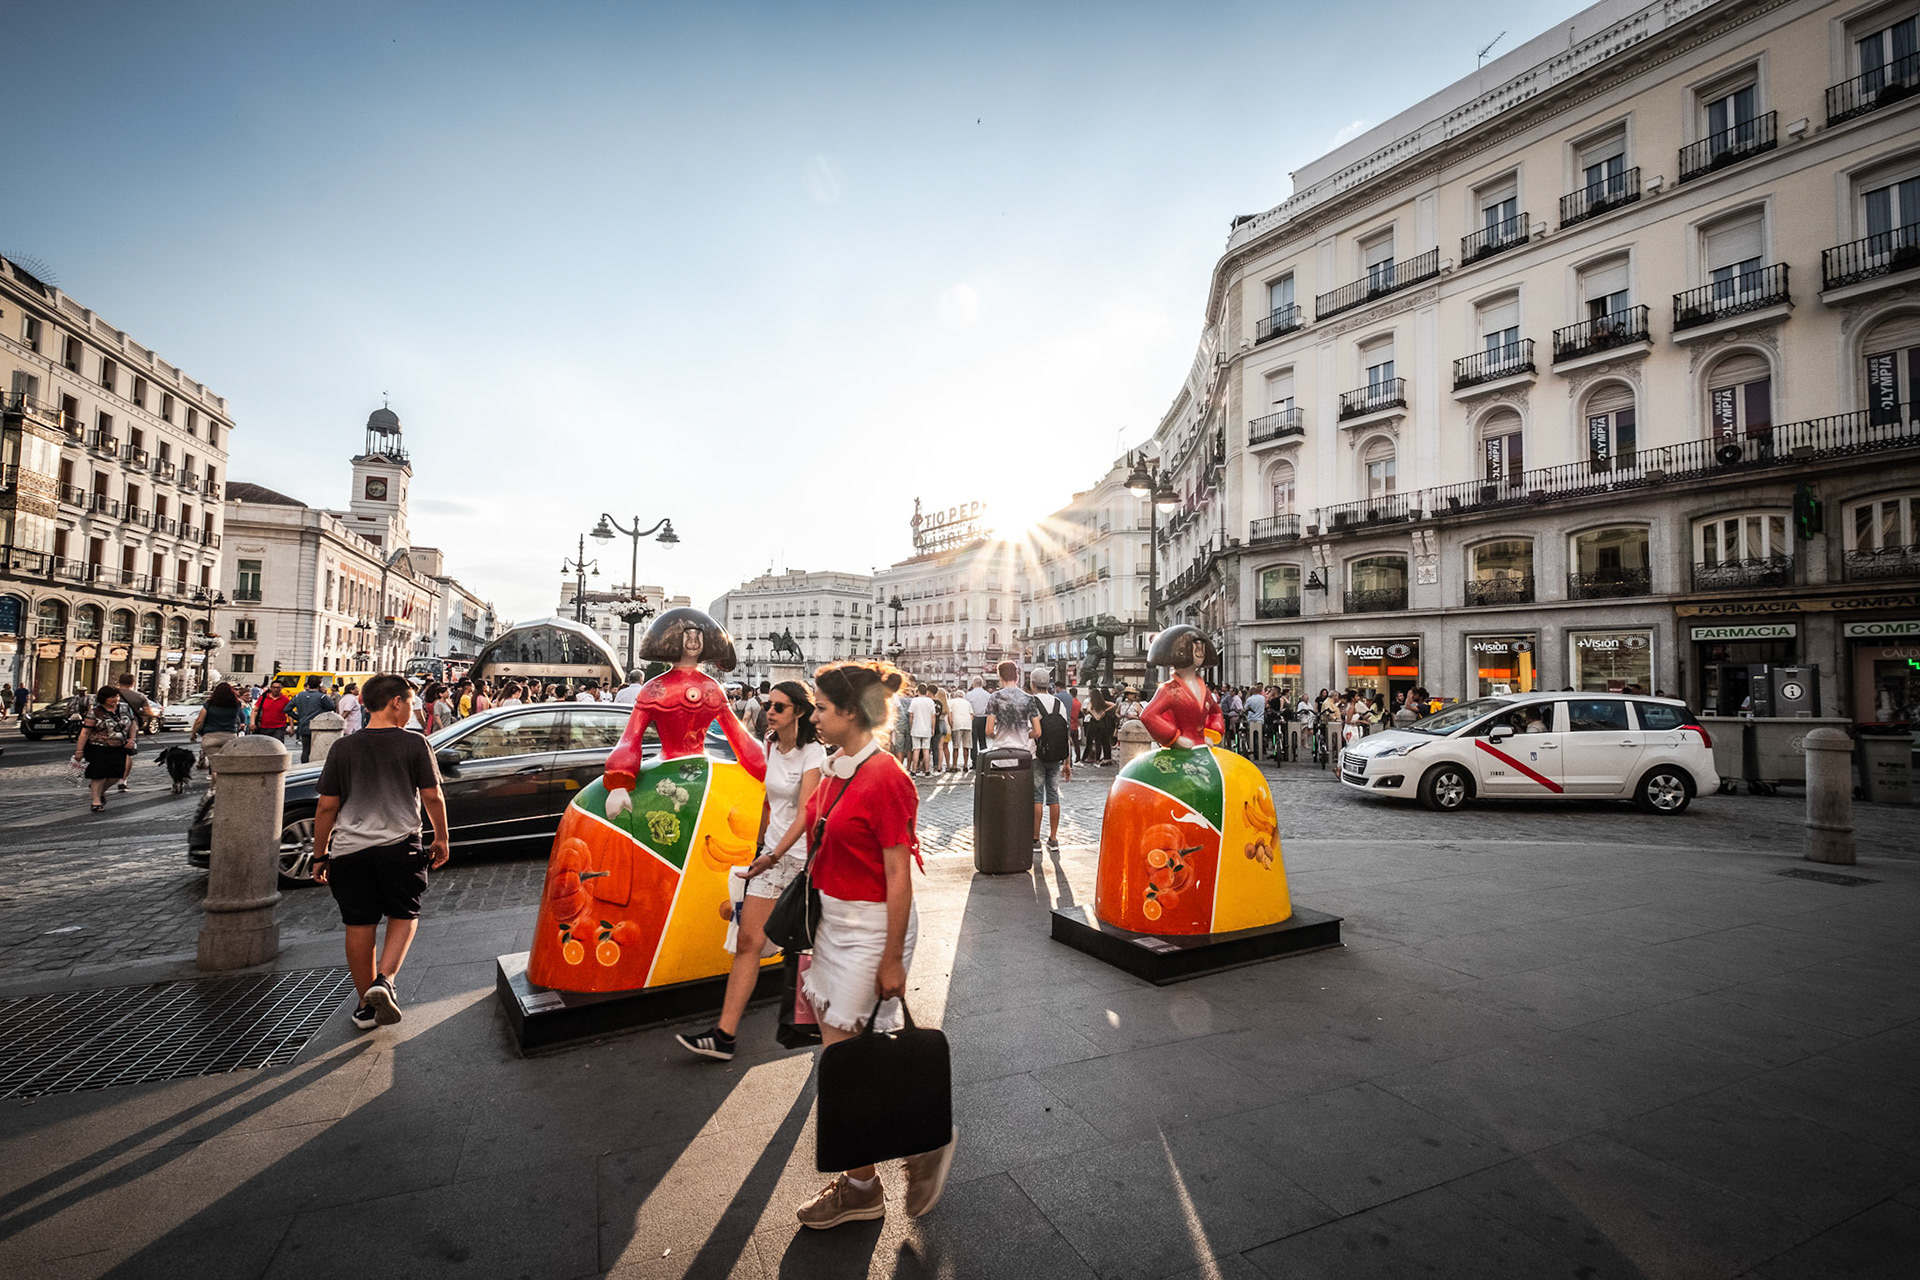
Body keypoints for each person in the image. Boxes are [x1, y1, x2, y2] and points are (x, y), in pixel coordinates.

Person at [792, 660, 955, 1229]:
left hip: (872, 926)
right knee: (847, 1052)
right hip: (836, 923)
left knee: (844, 1056)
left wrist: (891, 959)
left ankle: (878, 1175)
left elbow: (898, 875)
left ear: (850, 714)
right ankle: (894, 1160)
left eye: (821, 708)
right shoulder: (835, 767)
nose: (814, 716)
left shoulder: (887, 778)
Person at [676, 679, 824, 1062]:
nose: (769, 712)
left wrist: (773, 855)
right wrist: (760, 848)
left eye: (778, 707)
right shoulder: (771, 745)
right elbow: (767, 804)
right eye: (768, 704)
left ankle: (836, 1029)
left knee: (814, 948)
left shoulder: (814, 754)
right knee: (748, 942)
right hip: (772, 856)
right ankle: (724, 1035)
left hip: (805, 860)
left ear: (800, 712)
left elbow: (808, 814)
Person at [310, 673, 450, 1030]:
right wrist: (441, 839)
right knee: (405, 913)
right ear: (396, 703)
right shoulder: (414, 744)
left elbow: (326, 807)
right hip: (399, 848)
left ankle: (365, 1006)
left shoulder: (343, 747)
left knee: (359, 924)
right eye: (411, 703)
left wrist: (319, 854)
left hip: (349, 852)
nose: (412, 712)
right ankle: (384, 981)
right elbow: (432, 796)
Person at [1029, 667, 1072, 853]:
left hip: (1036, 754)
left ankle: (1035, 839)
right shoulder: (1058, 703)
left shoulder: (1031, 702)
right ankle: (1053, 838)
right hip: (1056, 754)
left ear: (1032, 684)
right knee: (1053, 795)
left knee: (1037, 796)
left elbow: (1029, 730)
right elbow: (1065, 732)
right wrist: (1067, 762)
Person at [73, 685, 135, 813]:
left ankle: (99, 791)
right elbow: (85, 732)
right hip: (98, 747)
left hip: (120, 747)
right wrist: (79, 751)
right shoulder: (95, 712)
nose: (115, 699)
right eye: (111, 697)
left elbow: (133, 723)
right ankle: (96, 802)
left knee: (117, 774)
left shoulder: (125, 708)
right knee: (99, 774)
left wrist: (131, 738)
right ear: (104, 698)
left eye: (116, 696)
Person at [192, 681, 247, 777]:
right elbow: (242, 709)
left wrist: (193, 733)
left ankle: (214, 789)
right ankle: (224, 787)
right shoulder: (236, 704)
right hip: (229, 737)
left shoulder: (209, 704)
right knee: (225, 765)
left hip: (211, 737)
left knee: (215, 766)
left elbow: (199, 720)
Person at [984, 660, 1037, 754]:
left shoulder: (995, 697)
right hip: (1022, 751)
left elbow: (989, 731)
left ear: (1000, 677)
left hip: (1000, 751)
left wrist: (999, 737)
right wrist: (1023, 735)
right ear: (1017, 677)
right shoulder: (1029, 699)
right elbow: (1037, 732)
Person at [289, 675, 338, 765]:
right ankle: (314, 767)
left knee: (305, 749)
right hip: (318, 726)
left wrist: (298, 717)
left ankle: (304, 766)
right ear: (319, 684)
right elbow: (331, 707)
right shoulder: (322, 697)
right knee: (317, 748)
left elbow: (287, 709)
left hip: (304, 725)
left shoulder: (299, 696)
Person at [907, 684, 937, 776]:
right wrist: (933, 728)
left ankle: (914, 771)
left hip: (916, 728)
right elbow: (933, 716)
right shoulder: (930, 701)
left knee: (916, 750)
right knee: (926, 750)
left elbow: (911, 715)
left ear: (918, 691)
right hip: (927, 728)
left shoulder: (914, 701)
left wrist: (911, 726)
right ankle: (927, 771)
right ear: (926, 692)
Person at [946, 684, 974, 772]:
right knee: (966, 746)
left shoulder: (951, 702)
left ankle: (954, 765)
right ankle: (965, 765)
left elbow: (950, 714)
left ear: (955, 695)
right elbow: (972, 715)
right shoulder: (967, 703)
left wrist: (951, 724)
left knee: (956, 746)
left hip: (957, 724)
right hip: (967, 724)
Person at [964, 676, 991, 760]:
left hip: (973, 718)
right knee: (983, 740)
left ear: (974, 684)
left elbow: (967, 708)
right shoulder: (987, 695)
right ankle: (984, 760)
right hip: (984, 718)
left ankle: (975, 761)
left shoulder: (969, 695)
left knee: (973, 741)